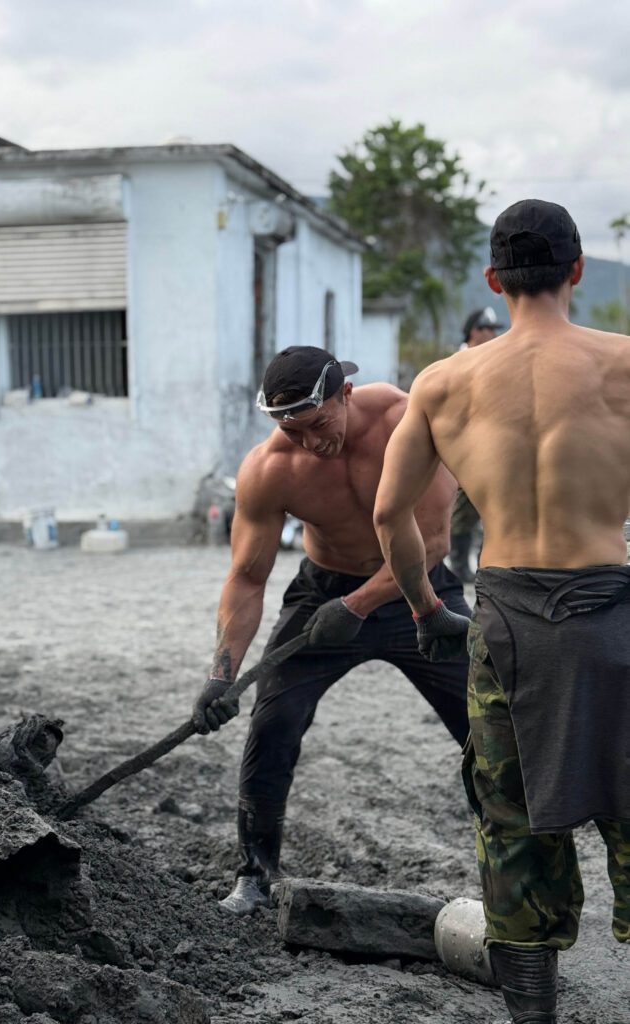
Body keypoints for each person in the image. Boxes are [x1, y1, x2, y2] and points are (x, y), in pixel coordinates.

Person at [373, 199, 630, 1024]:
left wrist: (424, 607)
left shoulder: (444, 383)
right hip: (615, 612)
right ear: (577, 272)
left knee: (512, 828)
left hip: (507, 625)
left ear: (493, 280)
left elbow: (391, 517)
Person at [192, 345, 472, 916]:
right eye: (294, 432)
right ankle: (255, 874)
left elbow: (435, 541)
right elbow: (247, 579)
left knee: (484, 725)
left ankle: (521, 870)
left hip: (419, 591)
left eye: (319, 424)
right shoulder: (270, 469)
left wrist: (360, 604)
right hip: (323, 594)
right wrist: (221, 673)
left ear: (345, 393)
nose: (311, 443)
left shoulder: (405, 422)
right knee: (272, 723)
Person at [449, 307, 504, 581]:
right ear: (474, 332)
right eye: (489, 329)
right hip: (465, 449)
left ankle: (487, 567)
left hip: (492, 447)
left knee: (493, 511)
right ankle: (459, 567)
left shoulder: (492, 361)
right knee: (462, 512)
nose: (493, 335)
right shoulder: (457, 364)